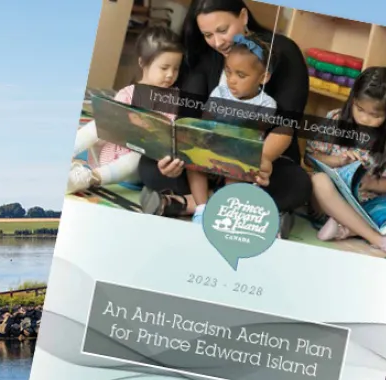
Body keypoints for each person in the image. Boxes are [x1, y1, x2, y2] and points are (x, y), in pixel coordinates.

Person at [140, 0, 312, 238]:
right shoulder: (204, 56)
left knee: (298, 184)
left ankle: (187, 203)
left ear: (243, 16)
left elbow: (286, 126)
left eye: (223, 30)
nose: (218, 42)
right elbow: (189, 120)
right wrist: (175, 153)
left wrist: (261, 160)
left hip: (263, 157)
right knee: (150, 165)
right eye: (208, 34)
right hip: (207, 154)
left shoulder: (281, 51)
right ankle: (238, 209)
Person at [304, 66, 386, 256]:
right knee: (318, 180)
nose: (364, 118)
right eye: (360, 109)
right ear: (352, 100)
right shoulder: (335, 120)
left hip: (366, 208)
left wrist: (369, 182)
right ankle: (378, 240)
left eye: (375, 115)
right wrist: (336, 161)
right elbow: (309, 157)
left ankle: (346, 228)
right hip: (328, 203)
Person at [67, 26, 184, 194]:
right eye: (164, 68)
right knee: (98, 123)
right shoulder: (128, 93)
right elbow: (112, 126)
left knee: (136, 158)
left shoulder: (173, 99)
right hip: (111, 152)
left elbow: (165, 134)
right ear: (142, 63)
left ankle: (89, 178)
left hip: (135, 165)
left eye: (176, 69)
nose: (170, 75)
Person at [188, 31, 277, 226]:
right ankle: (202, 209)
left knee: (237, 171)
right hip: (212, 151)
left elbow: (251, 135)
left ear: (263, 77)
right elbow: (206, 123)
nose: (231, 80)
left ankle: (222, 208)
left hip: (238, 157)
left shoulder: (267, 103)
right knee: (192, 163)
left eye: (241, 75)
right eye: (228, 72)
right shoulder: (219, 92)